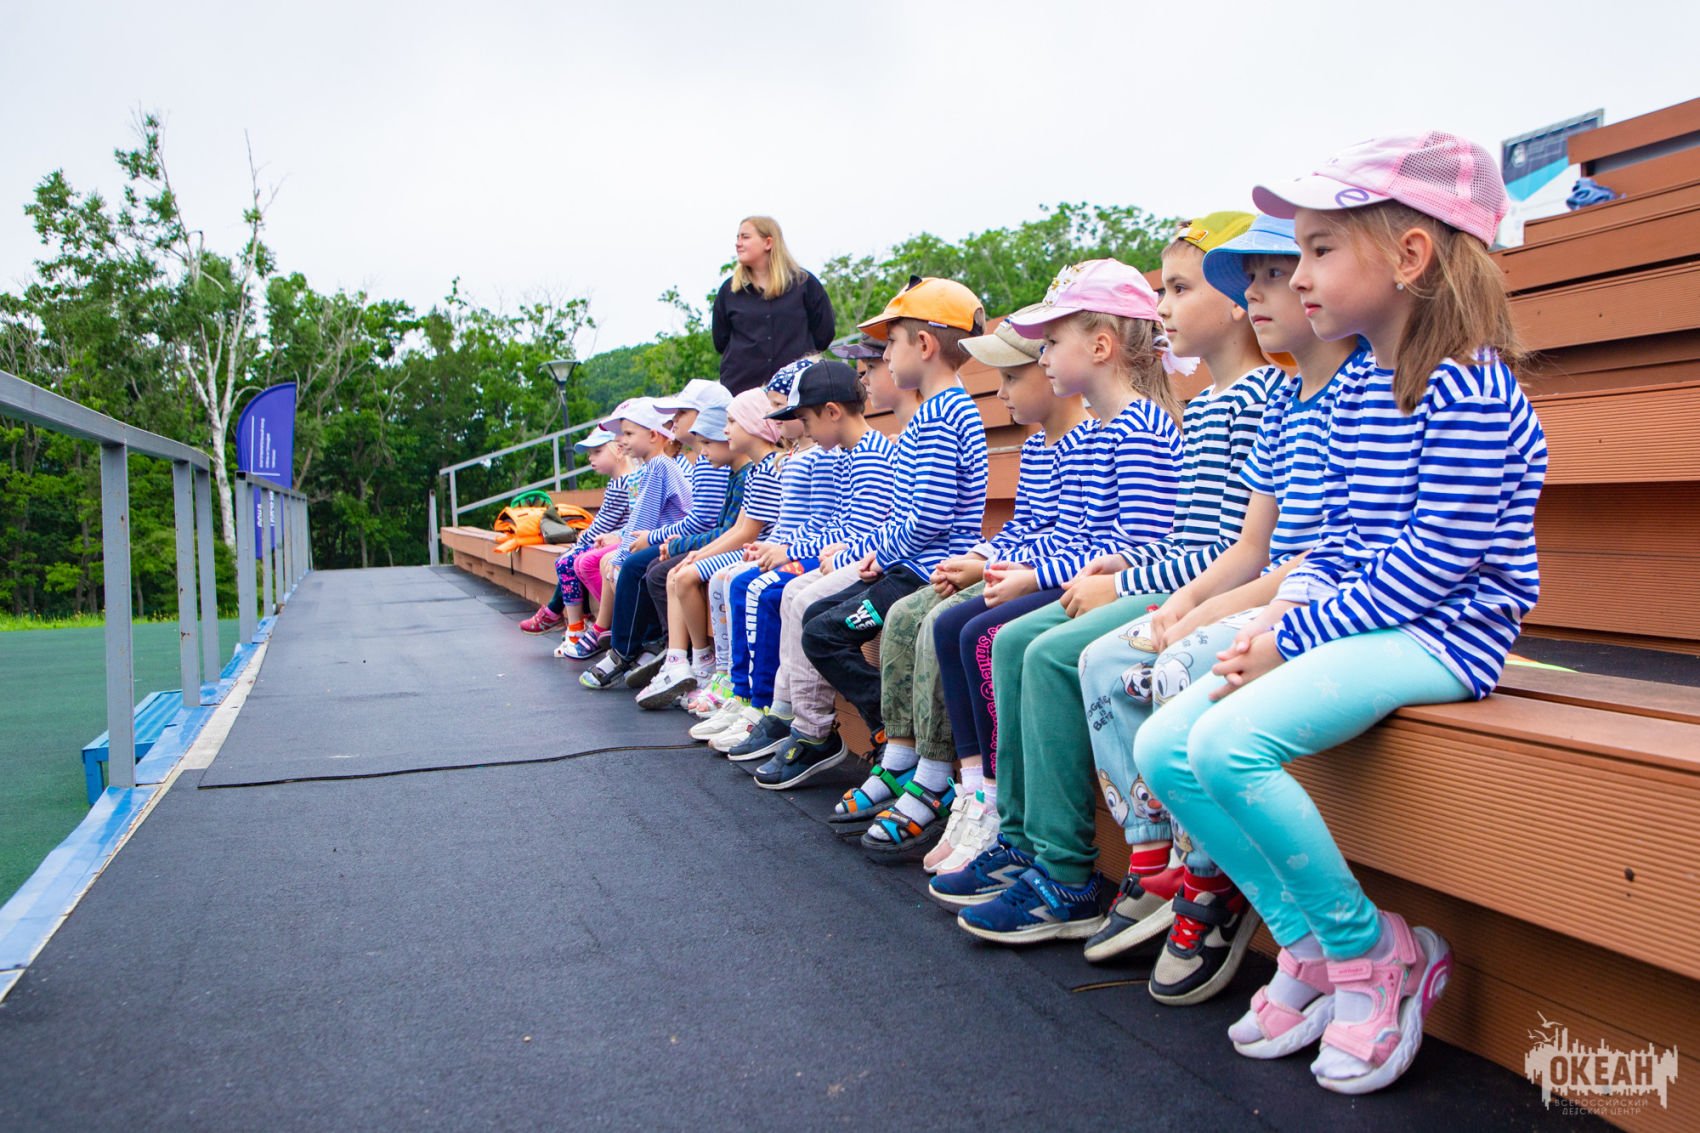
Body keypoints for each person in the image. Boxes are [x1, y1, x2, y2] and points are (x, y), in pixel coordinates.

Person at [1133, 133, 1544, 1094]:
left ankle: (1373, 952)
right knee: (1163, 747)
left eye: (1319, 249)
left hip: (1448, 631)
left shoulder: (1469, 385)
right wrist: (1280, 619)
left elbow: (1434, 564)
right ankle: (1310, 942)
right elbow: (1341, 542)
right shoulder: (1358, 383)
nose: (1300, 274)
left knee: (1227, 743)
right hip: (1370, 616)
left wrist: (1291, 635)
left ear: (1410, 257)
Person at [936, 213, 1284, 944]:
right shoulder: (1206, 405)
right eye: (1162, 291)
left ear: (1233, 299)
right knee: (1008, 640)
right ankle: (1027, 841)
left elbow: (1230, 554)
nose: (1164, 307)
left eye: (1180, 288)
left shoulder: (1242, 404)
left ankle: (1069, 866)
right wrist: (1122, 568)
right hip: (1177, 583)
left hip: (1213, 598)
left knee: (1044, 650)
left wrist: (1124, 581)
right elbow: (1185, 542)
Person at [1074, 215, 1368, 1004]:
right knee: (1108, 655)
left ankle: (1210, 870)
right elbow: (1247, 546)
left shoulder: (1346, 392)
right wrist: (1181, 605)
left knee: (1178, 661)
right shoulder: (1283, 404)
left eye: (1282, 271)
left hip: (1321, 601)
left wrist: (1202, 617)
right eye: (1258, 276)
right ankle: (1156, 850)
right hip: (1275, 589)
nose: (1275, 288)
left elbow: (1319, 555)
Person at [850, 311, 1093, 863]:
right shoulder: (1038, 444)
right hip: (1006, 566)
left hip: (1048, 578)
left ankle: (965, 787)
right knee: (910, 618)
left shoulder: (1086, 438)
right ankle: (934, 773)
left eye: (1010, 377)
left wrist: (992, 569)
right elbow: (1026, 525)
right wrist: (982, 557)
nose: (1000, 392)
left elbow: (1080, 538)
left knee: (953, 626)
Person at [759, 277, 989, 793]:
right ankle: (892, 731)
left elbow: (928, 518)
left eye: (890, 344)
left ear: (923, 345)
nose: (882, 358)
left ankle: (895, 734)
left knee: (824, 632)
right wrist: (877, 553)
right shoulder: (935, 413)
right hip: (906, 563)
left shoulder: (944, 414)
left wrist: (879, 556)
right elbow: (908, 514)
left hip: (924, 570)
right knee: (817, 621)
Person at [709, 360, 898, 758]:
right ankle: (783, 711)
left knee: (795, 596)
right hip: (847, 554)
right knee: (787, 593)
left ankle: (806, 725)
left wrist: (809, 552)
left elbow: (860, 530)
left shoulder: (869, 454)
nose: (805, 430)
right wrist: (808, 548)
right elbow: (836, 522)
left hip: (870, 560)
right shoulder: (846, 453)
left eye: (807, 420)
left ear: (832, 412)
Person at [635, 391, 786, 708]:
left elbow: (746, 532)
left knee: (693, 576)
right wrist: (697, 554)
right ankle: (687, 661)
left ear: (752, 424)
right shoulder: (755, 470)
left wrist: (699, 555)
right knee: (677, 574)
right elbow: (737, 528)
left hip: (756, 548)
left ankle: (718, 668)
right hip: (749, 545)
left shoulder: (766, 468)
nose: (726, 430)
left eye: (732, 422)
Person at [559, 398, 691, 660]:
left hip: (672, 540)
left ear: (653, 435)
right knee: (624, 564)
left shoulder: (659, 466)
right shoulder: (653, 466)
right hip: (663, 538)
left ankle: (625, 650)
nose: (621, 440)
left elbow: (643, 520)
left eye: (628, 434)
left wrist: (619, 557)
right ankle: (635, 643)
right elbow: (639, 519)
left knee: (627, 567)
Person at [517, 424, 634, 644]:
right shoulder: (618, 481)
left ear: (618, 450)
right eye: (590, 453)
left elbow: (604, 523)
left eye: (597, 451)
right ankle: (571, 618)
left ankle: (574, 626)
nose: (591, 458)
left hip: (617, 540)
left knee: (567, 561)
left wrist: (584, 538)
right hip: (611, 539)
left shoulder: (623, 483)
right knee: (571, 557)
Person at [712, 216, 837, 396]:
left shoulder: (804, 283)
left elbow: (824, 333)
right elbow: (720, 341)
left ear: (768, 243)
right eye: (737, 237)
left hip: (796, 391)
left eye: (745, 237)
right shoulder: (729, 291)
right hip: (743, 392)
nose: (738, 243)